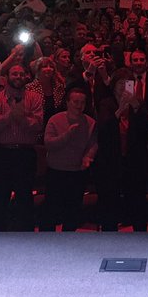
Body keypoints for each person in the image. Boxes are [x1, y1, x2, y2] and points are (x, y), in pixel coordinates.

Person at [0, 64, 41, 231]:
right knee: (0, 196)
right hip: (1, 153)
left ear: (26, 77)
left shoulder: (35, 98)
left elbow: (38, 125)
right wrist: (11, 115)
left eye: (21, 74)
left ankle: (27, 237)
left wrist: (22, 119)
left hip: (25, 153)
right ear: (6, 77)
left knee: (25, 196)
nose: (18, 77)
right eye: (14, 74)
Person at [42, 86, 97, 231]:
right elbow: (49, 144)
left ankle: (68, 241)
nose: (79, 106)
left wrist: (88, 157)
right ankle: (45, 241)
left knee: (72, 213)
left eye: (82, 102)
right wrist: (67, 135)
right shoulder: (55, 120)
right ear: (67, 102)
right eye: (75, 102)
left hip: (77, 172)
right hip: (56, 171)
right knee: (50, 212)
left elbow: (93, 144)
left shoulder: (90, 122)